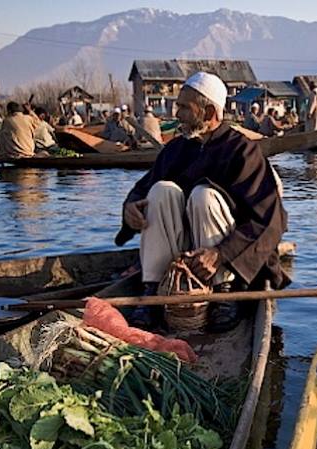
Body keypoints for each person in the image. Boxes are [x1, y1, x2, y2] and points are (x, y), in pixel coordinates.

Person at [116, 72, 288, 332]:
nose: (177, 114)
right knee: (160, 191)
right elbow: (143, 188)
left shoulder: (243, 151)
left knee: (203, 195)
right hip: (183, 254)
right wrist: (131, 208)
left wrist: (221, 254)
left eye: (184, 107)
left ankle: (223, 295)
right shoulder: (176, 149)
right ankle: (153, 293)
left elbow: (268, 221)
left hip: (226, 260)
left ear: (209, 113)